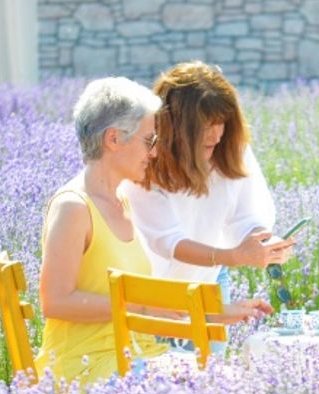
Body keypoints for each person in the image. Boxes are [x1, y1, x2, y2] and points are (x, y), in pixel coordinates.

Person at [35, 77, 272, 386]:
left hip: (136, 355)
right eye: (149, 140)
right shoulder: (74, 207)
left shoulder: (123, 202)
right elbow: (55, 301)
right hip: (88, 366)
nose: (156, 151)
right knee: (223, 385)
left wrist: (219, 311)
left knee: (235, 379)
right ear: (114, 140)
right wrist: (142, 307)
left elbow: (141, 304)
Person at [120, 61, 294, 355]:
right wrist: (235, 256)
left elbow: (247, 214)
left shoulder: (230, 148)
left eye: (222, 122)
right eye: (205, 126)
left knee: (210, 379)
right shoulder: (145, 161)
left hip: (208, 280)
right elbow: (168, 242)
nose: (216, 135)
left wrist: (264, 243)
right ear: (175, 127)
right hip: (153, 294)